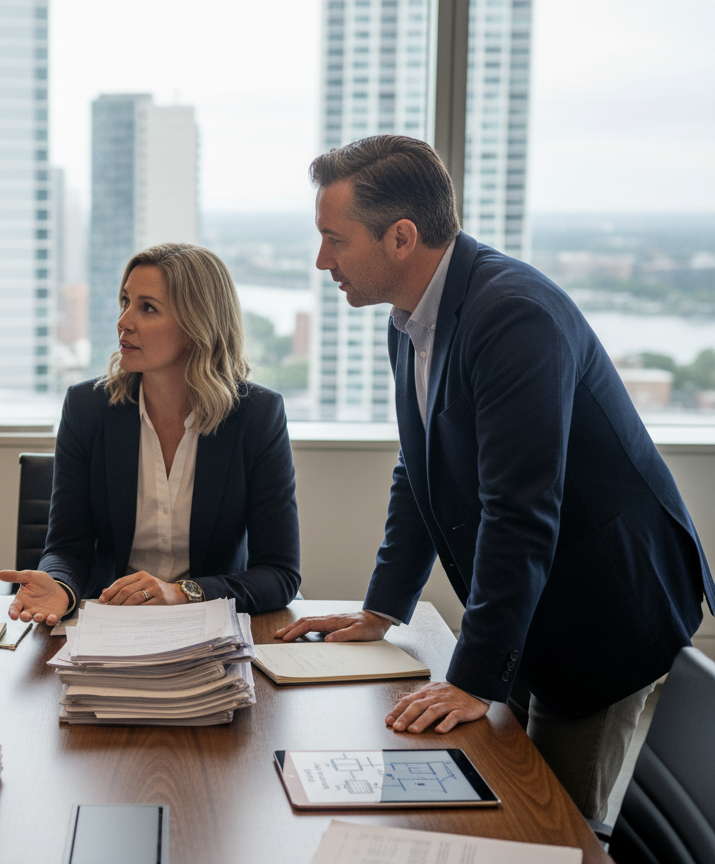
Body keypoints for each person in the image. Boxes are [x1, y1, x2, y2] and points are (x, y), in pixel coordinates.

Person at [275, 135, 715, 821]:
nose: (321, 260)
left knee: (551, 823)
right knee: (497, 788)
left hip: (603, 610)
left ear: (401, 237)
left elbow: (520, 509)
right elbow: (419, 471)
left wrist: (473, 678)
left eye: (334, 238)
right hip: (532, 604)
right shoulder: (410, 318)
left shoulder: (512, 315)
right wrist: (381, 608)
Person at [0, 243, 301, 623]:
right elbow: (67, 547)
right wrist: (61, 586)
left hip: (210, 625)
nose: (123, 321)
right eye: (125, 301)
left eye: (147, 308)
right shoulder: (87, 408)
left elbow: (279, 574)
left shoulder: (257, 416)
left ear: (197, 325)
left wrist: (183, 593)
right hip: (112, 622)